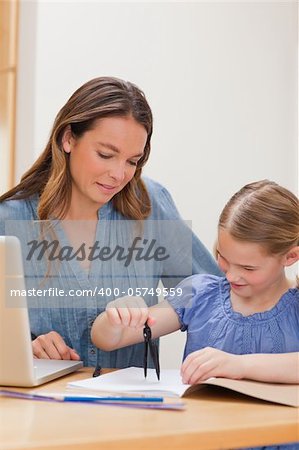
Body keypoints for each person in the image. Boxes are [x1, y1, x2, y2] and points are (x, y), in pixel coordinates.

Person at [0, 76, 221, 368]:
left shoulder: (150, 205)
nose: (119, 174)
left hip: (134, 408)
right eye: (106, 154)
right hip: (42, 408)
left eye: (133, 161)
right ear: (68, 139)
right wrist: (24, 348)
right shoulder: (10, 220)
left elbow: (213, 294)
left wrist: (157, 316)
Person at [92, 180, 299, 387]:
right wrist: (114, 318)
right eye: (223, 258)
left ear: (290, 257)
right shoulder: (200, 294)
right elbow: (107, 340)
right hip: (202, 418)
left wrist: (239, 365)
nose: (231, 276)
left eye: (248, 268)